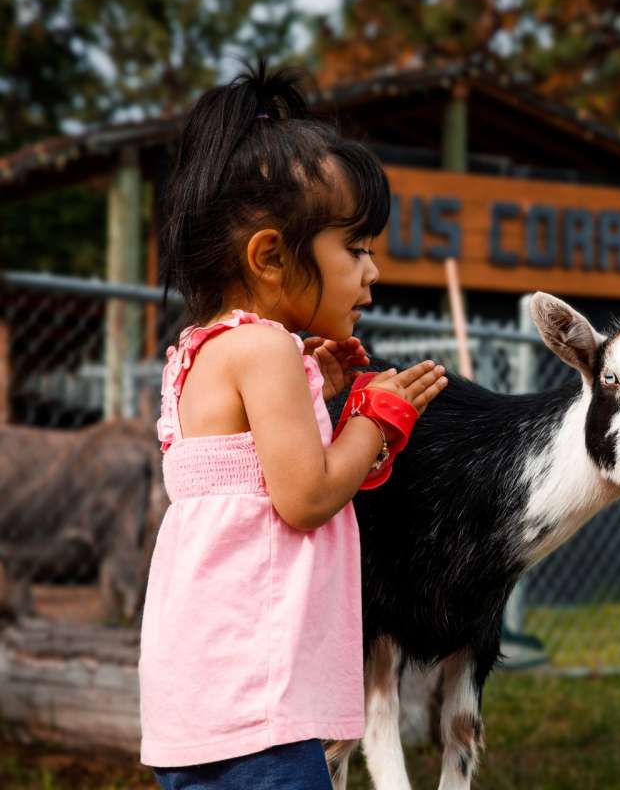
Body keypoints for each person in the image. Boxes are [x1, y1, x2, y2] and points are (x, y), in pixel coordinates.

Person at [137, 62, 447, 789]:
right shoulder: (268, 350)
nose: (371, 273)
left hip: (198, 709)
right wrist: (376, 418)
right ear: (271, 255)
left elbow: (251, 472)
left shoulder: (201, 348)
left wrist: (322, 394)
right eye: (357, 249)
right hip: (258, 714)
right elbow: (305, 498)